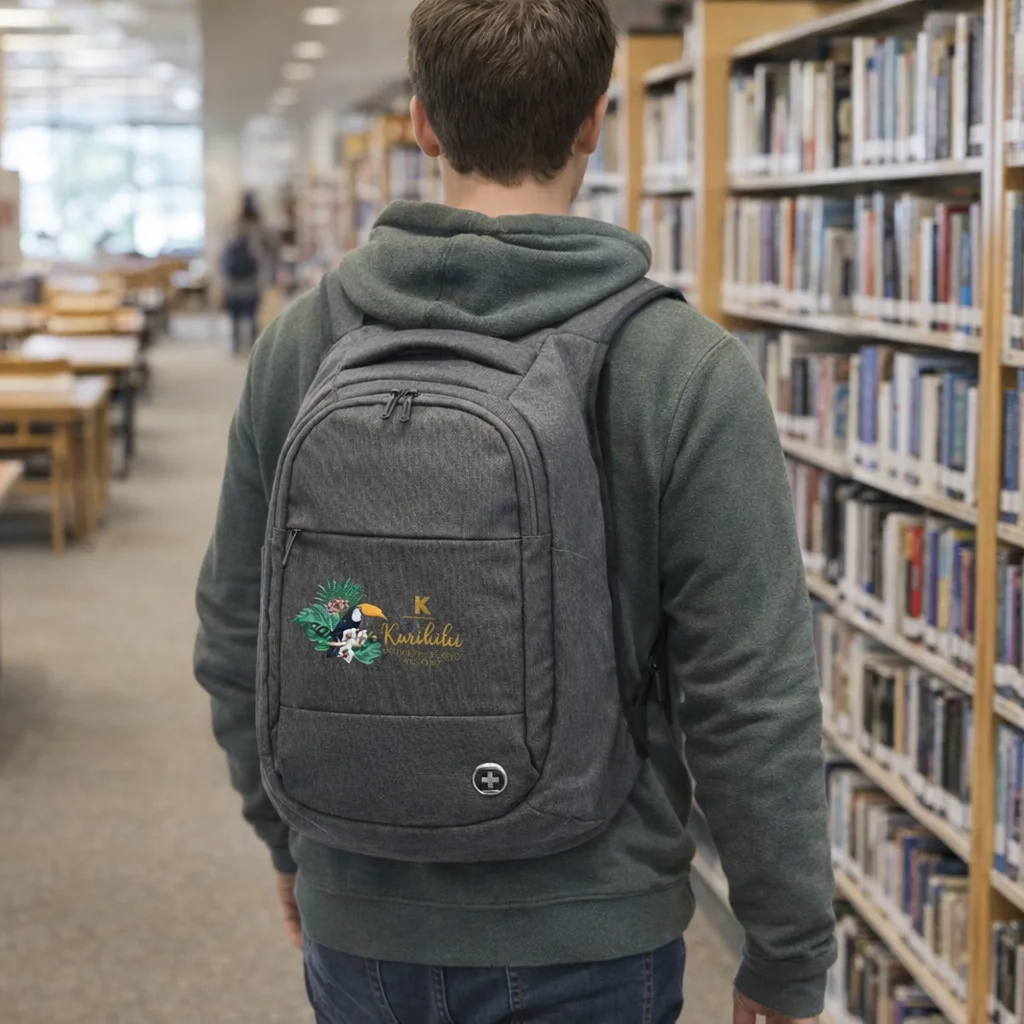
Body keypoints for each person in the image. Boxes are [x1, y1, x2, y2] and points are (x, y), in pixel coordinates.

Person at [194, 1, 836, 1021]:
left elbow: (239, 628)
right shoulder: (684, 368)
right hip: (592, 918)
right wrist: (788, 950)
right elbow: (749, 693)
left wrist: (291, 834)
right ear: (595, 121)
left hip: (363, 908)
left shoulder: (303, 343)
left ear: (421, 125)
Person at [220, 193, 265, 354]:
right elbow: (262, 253)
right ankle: (253, 345)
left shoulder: (232, 225)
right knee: (252, 314)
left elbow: (223, 253)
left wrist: (222, 276)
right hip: (251, 279)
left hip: (233, 279)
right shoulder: (257, 226)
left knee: (235, 315)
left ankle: (236, 344)